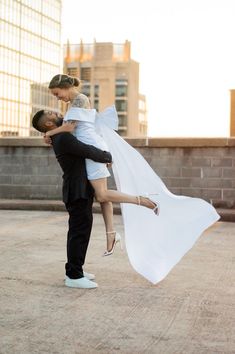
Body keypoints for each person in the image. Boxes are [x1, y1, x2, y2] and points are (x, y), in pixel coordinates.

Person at [45, 74, 160, 257]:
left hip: (91, 149)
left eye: (57, 93)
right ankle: (111, 235)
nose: (58, 98)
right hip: (91, 147)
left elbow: (69, 128)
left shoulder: (80, 99)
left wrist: (50, 132)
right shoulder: (76, 102)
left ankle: (143, 201)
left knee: (102, 194)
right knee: (103, 198)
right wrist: (52, 134)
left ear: (66, 86)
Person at [32, 110, 113, 289]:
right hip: (77, 192)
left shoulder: (60, 136)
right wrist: (108, 156)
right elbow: (88, 150)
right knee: (79, 234)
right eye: (51, 113)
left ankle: (76, 270)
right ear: (48, 124)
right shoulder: (63, 138)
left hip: (78, 190)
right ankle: (74, 276)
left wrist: (48, 135)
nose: (56, 111)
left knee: (80, 233)